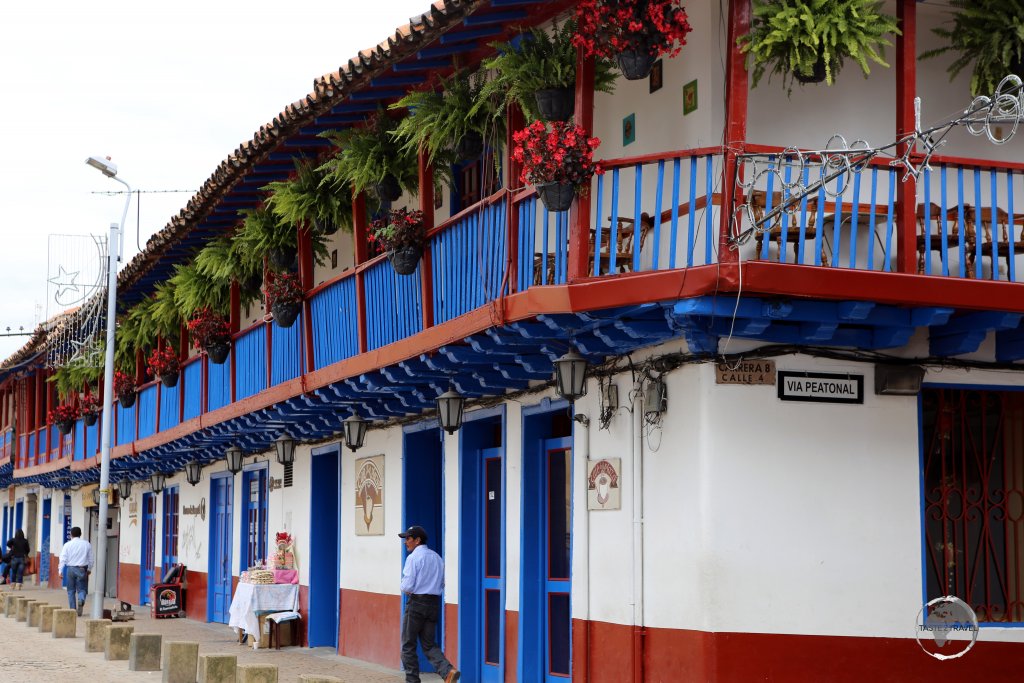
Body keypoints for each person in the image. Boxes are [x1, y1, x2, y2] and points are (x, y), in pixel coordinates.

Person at [398, 525, 460, 683]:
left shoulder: (413, 558)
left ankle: (412, 681)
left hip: (416, 603)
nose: (406, 542)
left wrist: (406, 588)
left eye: (408, 539)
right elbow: (442, 583)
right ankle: (448, 671)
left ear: (417, 540)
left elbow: (407, 586)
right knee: (429, 644)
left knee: (408, 645)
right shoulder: (437, 558)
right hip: (433, 604)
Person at [58, 526, 94, 616]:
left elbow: (63, 558)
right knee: (82, 589)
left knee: (70, 591)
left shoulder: (67, 545)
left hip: (70, 569)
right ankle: (81, 600)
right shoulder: (87, 544)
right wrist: (89, 569)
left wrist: (60, 570)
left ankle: (73, 610)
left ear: (71, 535)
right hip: (82, 569)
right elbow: (91, 559)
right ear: (80, 534)